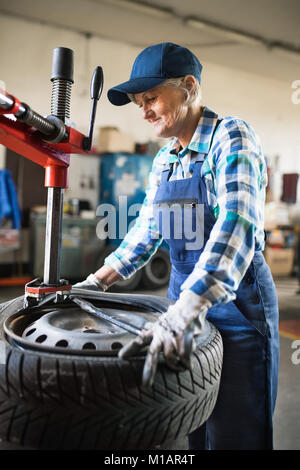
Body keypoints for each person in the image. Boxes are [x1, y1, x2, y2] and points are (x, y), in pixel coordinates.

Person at [74, 42, 279, 450]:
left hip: (237, 306)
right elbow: (145, 232)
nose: (145, 110)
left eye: (151, 97)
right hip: (180, 305)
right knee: (194, 425)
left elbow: (237, 223)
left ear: (188, 87)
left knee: (235, 432)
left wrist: (187, 309)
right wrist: (92, 284)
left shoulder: (231, 136)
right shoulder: (166, 159)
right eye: (138, 103)